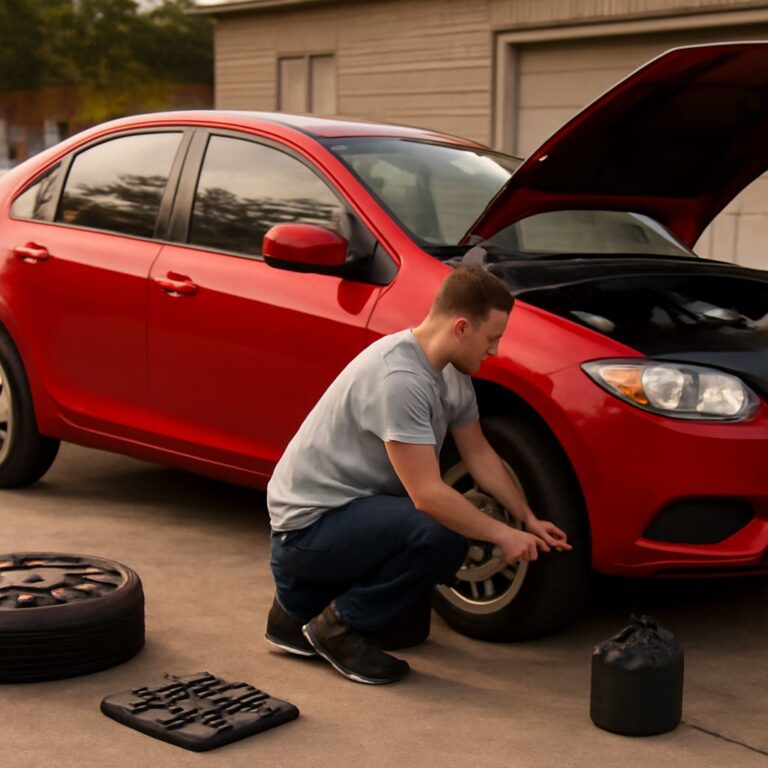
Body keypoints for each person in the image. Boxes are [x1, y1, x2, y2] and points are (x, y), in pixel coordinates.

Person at [265, 265, 571, 685]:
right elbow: (427, 495)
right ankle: (335, 627)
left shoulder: (450, 372)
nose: (495, 350)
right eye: (492, 338)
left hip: (351, 515)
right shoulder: (401, 378)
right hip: (305, 533)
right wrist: (501, 535)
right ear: (462, 327)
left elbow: (479, 453)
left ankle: (294, 612)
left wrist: (526, 517)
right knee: (442, 536)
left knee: (409, 630)